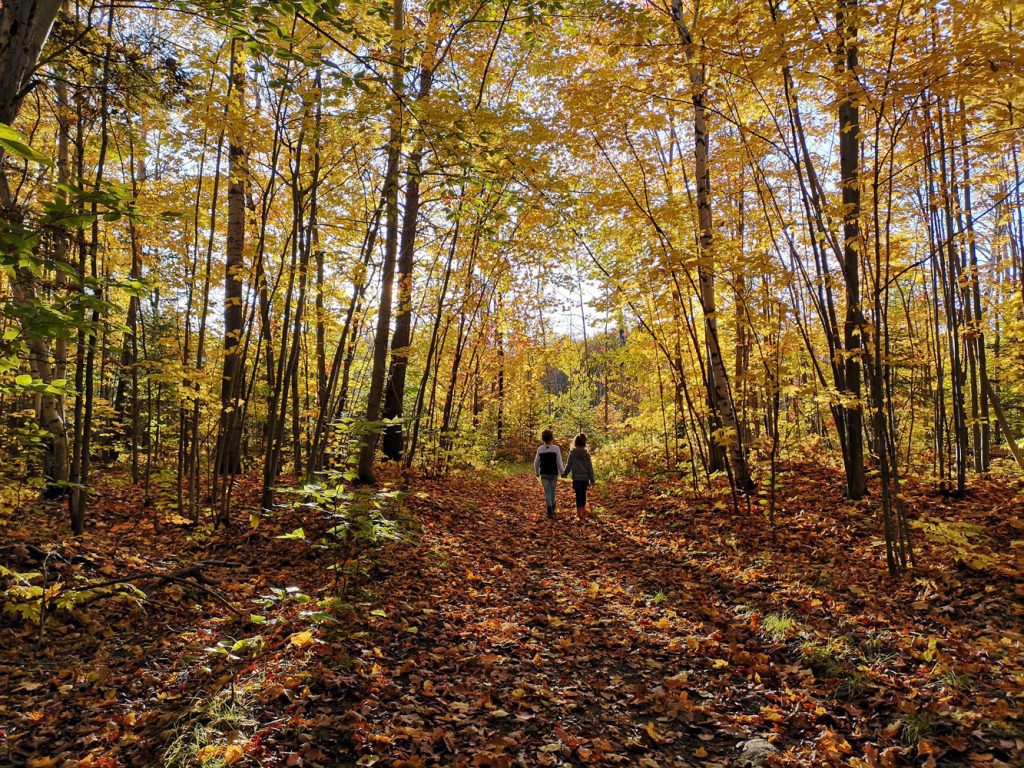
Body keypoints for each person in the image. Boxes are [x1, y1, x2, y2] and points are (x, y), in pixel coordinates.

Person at [562, 433, 595, 517]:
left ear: (575, 442)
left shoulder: (572, 453)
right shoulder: (587, 454)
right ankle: (583, 510)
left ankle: (578, 512)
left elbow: (568, 465)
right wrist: (592, 480)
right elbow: (590, 468)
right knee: (583, 494)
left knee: (578, 495)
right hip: (584, 478)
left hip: (576, 478)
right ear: (584, 443)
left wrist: (565, 474)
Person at [533, 429, 564, 518]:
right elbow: (559, 462)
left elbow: (536, 462)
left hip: (544, 473)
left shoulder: (540, 449)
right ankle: (553, 505)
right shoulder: (556, 448)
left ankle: (549, 509)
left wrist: (536, 471)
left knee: (547, 491)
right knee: (552, 490)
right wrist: (562, 472)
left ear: (543, 439)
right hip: (554, 473)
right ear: (552, 438)